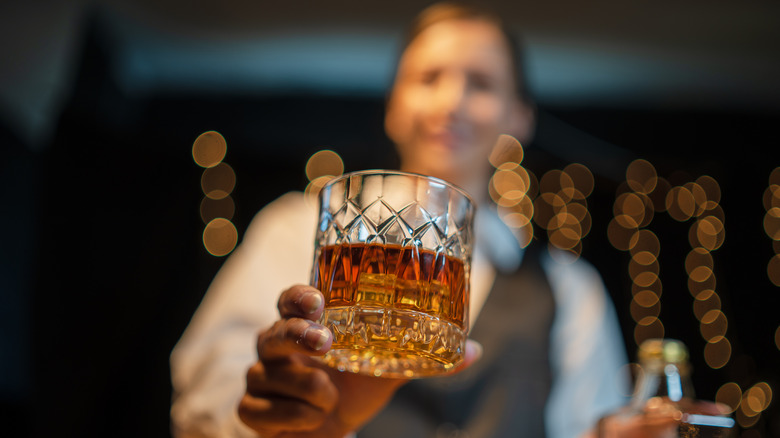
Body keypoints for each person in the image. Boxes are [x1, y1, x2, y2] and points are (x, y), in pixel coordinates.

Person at [170, 3, 631, 437]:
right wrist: (279, 422)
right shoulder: (298, 226)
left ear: (520, 118)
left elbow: (589, 423)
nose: (452, 102)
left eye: (482, 83)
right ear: (394, 107)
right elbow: (205, 397)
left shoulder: (570, 287)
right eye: (429, 78)